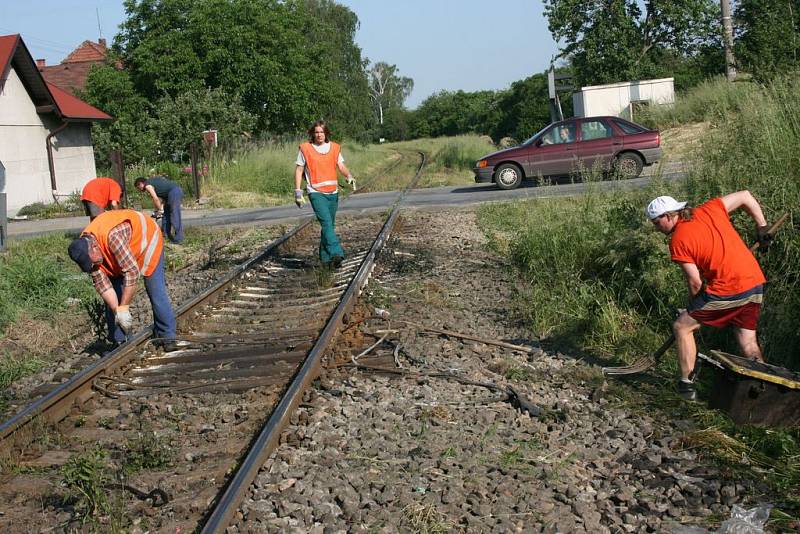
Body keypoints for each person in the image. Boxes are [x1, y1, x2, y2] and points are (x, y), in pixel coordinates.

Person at [646, 191, 773, 400]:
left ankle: (686, 386)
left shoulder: (678, 240)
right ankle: (763, 387)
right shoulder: (709, 209)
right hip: (754, 282)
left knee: (682, 326)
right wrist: (762, 226)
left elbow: (695, 282)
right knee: (748, 341)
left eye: (656, 223)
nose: (656, 228)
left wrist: (692, 308)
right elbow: (745, 196)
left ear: (668, 216)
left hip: (729, 288)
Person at [67, 209, 182, 352]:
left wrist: (124, 307)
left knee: (155, 289)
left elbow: (131, 272)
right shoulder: (84, 248)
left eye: (93, 261)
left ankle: (167, 336)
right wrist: (118, 310)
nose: (94, 265)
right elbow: (103, 286)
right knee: (114, 296)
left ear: (95, 248)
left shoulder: (112, 236)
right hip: (121, 254)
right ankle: (120, 341)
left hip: (147, 242)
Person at [294, 120, 356, 268]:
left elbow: (340, 165)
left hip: (333, 192)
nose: (319, 135)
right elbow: (299, 170)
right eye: (316, 132)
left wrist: (349, 176)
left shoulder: (334, 147)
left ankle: (325, 259)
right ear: (312, 134)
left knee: (329, 226)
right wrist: (297, 191)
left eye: (321, 132)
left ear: (326, 133)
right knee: (327, 223)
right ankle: (337, 253)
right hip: (315, 192)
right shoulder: (305, 149)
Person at [133, 174, 184, 244]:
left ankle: (178, 238)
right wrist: (158, 210)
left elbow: (156, 199)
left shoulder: (147, 185)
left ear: (141, 183)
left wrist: (160, 209)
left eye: (138, 188)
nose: (139, 190)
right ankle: (166, 235)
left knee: (174, 214)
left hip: (174, 192)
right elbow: (160, 195)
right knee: (165, 215)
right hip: (171, 193)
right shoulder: (152, 181)